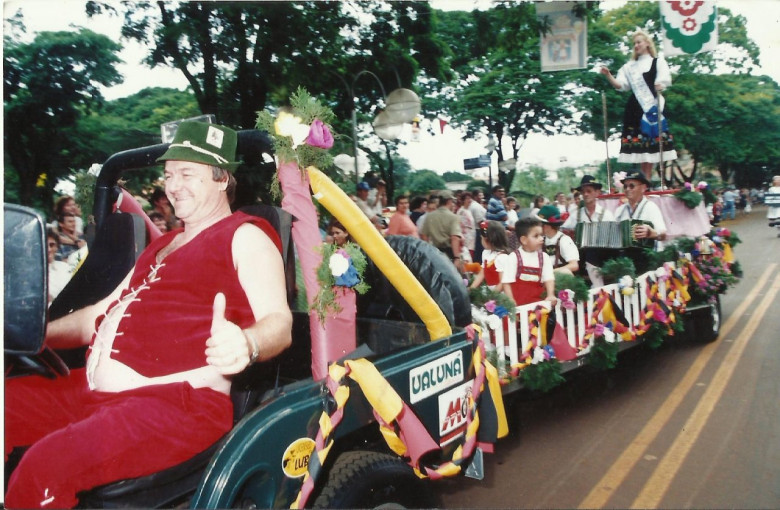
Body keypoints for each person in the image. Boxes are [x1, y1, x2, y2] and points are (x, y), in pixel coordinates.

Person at [4, 121, 293, 508]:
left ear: (222, 178)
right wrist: (34, 333)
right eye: (169, 174)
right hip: (92, 395)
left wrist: (249, 342)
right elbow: (98, 318)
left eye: (187, 174)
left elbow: (279, 321)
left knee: (44, 469)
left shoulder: (246, 235)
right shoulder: (163, 245)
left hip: (176, 406)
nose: (173, 186)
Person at [600, 30, 677, 182]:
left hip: (652, 107)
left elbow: (664, 81)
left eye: (639, 42)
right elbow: (620, 85)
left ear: (647, 43)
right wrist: (609, 75)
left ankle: (646, 180)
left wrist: (659, 86)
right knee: (641, 149)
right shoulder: (629, 67)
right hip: (635, 109)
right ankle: (644, 181)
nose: (636, 45)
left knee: (652, 146)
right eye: (634, 43)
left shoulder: (658, 62)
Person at [562, 175, 615, 286]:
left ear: (597, 193)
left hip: (603, 256)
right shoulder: (576, 214)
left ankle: (598, 287)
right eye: (583, 192)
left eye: (589, 191)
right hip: (581, 255)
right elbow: (563, 230)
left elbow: (614, 238)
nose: (585, 194)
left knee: (592, 251)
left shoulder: (606, 214)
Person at [501, 218, 557, 307]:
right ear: (524, 240)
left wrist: (550, 294)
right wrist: (510, 300)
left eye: (542, 235)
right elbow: (506, 282)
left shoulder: (544, 257)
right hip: (519, 306)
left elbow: (549, 278)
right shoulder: (514, 257)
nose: (541, 238)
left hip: (538, 307)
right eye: (536, 236)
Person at [614, 171, 667, 255]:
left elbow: (663, 235)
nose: (627, 189)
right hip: (626, 258)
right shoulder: (619, 211)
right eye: (625, 186)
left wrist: (653, 233)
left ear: (643, 188)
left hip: (649, 257)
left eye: (631, 186)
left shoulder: (651, 207)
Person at [420, 190, 463, 273]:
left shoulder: (429, 216)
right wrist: (457, 258)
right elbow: (454, 238)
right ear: (449, 201)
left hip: (435, 253)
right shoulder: (453, 217)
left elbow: (424, 235)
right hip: (450, 253)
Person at [537, 205, 579, 275]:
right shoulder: (540, 240)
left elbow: (574, 265)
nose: (537, 226)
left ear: (548, 225)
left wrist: (551, 272)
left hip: (559, 276)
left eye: (540, 224)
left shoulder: (564, 240)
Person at [469, 221, 511, 291]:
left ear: (488, 240)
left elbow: (502, 282)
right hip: (490, 290)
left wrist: (492, 296)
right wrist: (471, 288)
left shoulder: (502, 257)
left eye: (481, 238)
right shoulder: (486, 253)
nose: (481, 241)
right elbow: (482, 273)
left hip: (500, 294)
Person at [47, 229, 74, 305]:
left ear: (57, 247)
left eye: (52, 245)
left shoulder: (65, 267)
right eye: (44, 245)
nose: (48, 249)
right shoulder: (32, 271)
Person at [456, 192, 476, 259]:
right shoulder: (461, 211)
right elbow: (459, 226)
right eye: (467, 198)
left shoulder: (468, 210)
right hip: (466, 239)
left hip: (471, 238)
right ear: (463, 200)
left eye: (470, 198)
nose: (469, 200)